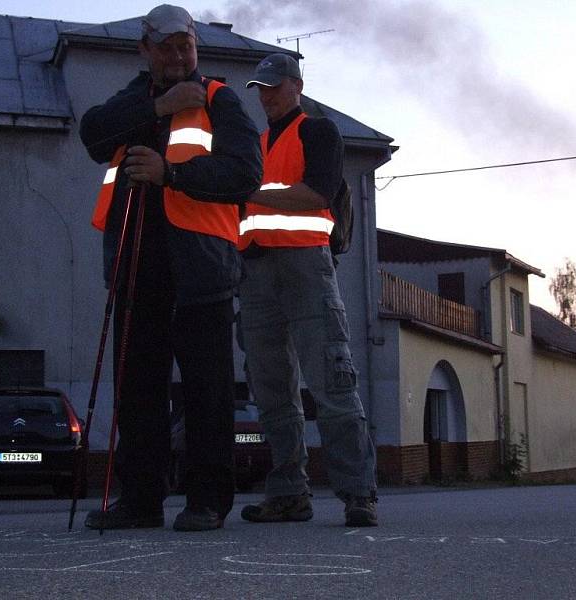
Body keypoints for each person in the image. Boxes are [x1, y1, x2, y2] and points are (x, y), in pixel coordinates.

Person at [79, 4, 261, 531]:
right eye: (168, 46)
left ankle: (207, 501)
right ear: (146, 49)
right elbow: (93, 135)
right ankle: (140, 500)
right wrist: (160, 106)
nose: (180, 55)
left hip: (202, 270)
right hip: (136, 266)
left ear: (195, 48)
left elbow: (245, 172)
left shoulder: (221, 100)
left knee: (207, 390)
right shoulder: (136, 99)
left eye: (187, 45)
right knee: (137, 389)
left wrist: (171, 173)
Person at [237, 54, 378, 527]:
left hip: (305, 266)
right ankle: (289, 494)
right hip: (256, 272)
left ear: (297, 85)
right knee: (272, 391)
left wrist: (246, 191)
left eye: (274, 86)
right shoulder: (255, 144)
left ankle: (358, 493)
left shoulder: (318, 131)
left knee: (332, 382)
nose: (266, 95)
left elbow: (318, 192)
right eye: (260, 87)